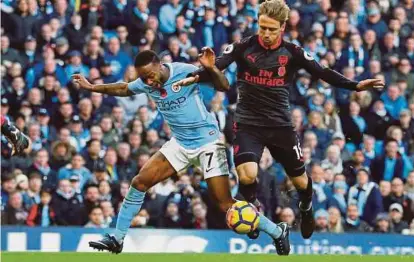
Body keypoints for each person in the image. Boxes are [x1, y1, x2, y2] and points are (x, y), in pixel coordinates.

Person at [174, 0, 384, 240]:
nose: (265, 33)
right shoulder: (243, 47)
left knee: (302, 183)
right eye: (262, 27)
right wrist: (191, 78)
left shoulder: (293, 53)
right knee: (247, 175)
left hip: (280, 126)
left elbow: (322, 72)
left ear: (282, 27)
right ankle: (252, 217)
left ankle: (306, 209)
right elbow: (216, 65)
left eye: (271, 29)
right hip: (248, 124)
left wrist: (355, 86)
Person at [73, 48, 290, 255]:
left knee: (225, 203)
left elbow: (223, 86)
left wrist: (212, 68)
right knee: (140, 182)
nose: (148, 82)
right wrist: (93, 87)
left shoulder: (185, 71)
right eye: (144, 78)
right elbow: (123, 88)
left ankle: (277, 231)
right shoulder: (147, 82)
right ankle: (117, 238)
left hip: (208, 143)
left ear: (160, 65)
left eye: (150, 75)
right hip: (180, 143)